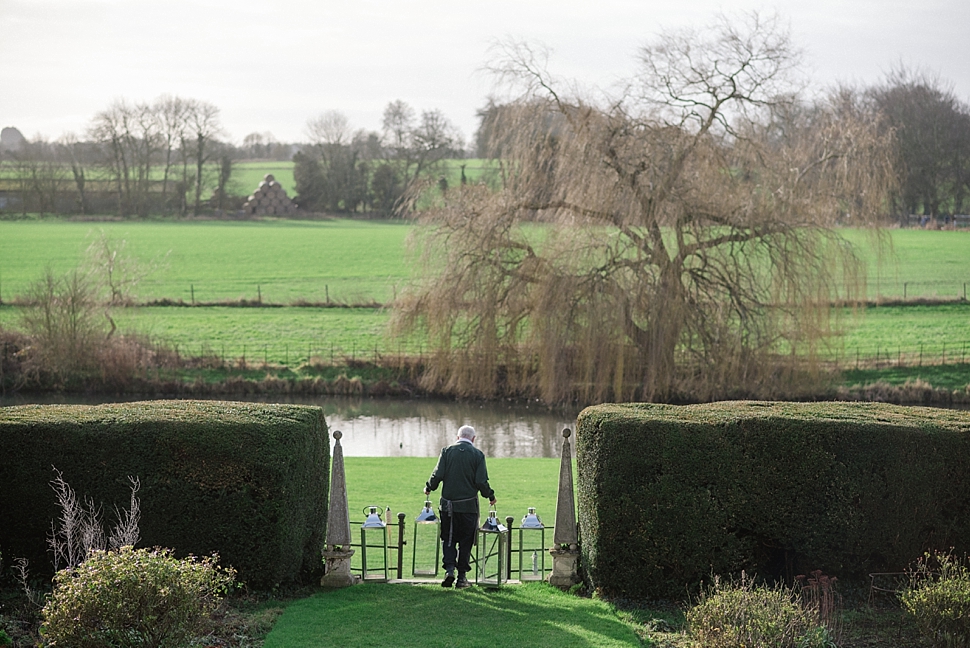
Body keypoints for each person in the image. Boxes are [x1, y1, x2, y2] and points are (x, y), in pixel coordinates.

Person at [424, 425, 496, 588]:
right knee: (466, 541)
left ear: (458, 437)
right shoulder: (478, 455)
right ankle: (462, 577)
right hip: (468, 507)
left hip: (448, 507)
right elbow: (480, 482)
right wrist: (490, 495)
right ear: (473, 438)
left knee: (448, 539)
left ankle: (450, 570)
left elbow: (438, 474)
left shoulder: (447, 452)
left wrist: (429, 487)